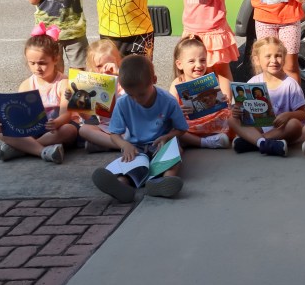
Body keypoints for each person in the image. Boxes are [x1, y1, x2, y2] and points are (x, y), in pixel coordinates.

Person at [91, 55, 187, 203]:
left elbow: (181, 128)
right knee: (129, 167)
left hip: (160, 145)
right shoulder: (123, 103)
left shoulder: (168, 101)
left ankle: (165, 181)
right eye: (131, 95)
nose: (136, 99)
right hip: (135, 148)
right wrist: (125, 145)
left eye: (141, 94)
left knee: (175, 153)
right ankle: (122, 187)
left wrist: (167, 136)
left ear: (154, 80)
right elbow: (114, 134)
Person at [0, 29, 74, 164]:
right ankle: (43, 151)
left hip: (55, 130)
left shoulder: (63, 83)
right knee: (2, 132)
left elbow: (66, 115)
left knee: (69, 130)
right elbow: (19, 116)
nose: (37, 67)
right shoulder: (26, 84)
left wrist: (56, 123)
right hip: (33, 130)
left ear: (55, 59)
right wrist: (5, 122)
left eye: (42, 63)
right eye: (32, 63)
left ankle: (22, 148)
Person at [228, 36, 305, 156]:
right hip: (260, 126)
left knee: (295, 124)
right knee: (232, 119)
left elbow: (303, 113)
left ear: (284, 59)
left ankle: (254, 142)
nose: (274, 60)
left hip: (281, 129)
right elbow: (241, 109)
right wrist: (237, 112)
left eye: (278, 56)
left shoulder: (290, 84)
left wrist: (289, 115)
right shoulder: (253, 82)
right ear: (257, 60)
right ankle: (264, 143)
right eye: (268, 56)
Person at [168, 36, 232, 150]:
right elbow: (170, 108)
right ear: (179, 64)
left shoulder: (211, 79)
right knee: (171, 127)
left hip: (213, 121)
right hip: (190, 126)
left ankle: (201, 140)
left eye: (202, 60)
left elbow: (223, 103)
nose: (198, 65)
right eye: (192, 61)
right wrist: (178, 110)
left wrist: (224, 101)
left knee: (233, 115)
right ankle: (204, 142)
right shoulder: (178, 82)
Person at [76, 40, 126, 153]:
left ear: (119, 62)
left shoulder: (124, 80)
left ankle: (105, 145)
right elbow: (87, 117)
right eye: (99, 66)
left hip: (127, 127)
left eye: (109, 64)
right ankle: (121, 145)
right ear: (93, 68)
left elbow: (136, 97)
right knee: (84, 130)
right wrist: (77, 103)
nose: (105, 69)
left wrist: (119, 73)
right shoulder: (94, 85)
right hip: (106, 128)